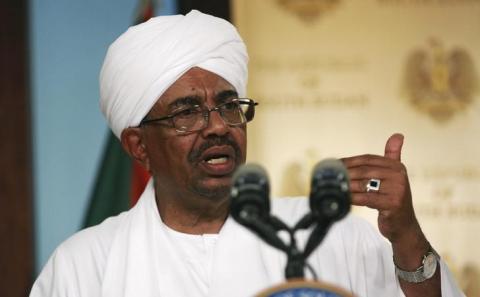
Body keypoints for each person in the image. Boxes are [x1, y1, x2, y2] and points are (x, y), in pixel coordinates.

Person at [30, 10, 464, 297]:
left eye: (229, 105)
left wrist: (406, 236)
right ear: (138, 146)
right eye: (188, 112)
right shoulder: (85, 267)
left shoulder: (328, 233)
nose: (218, 125)